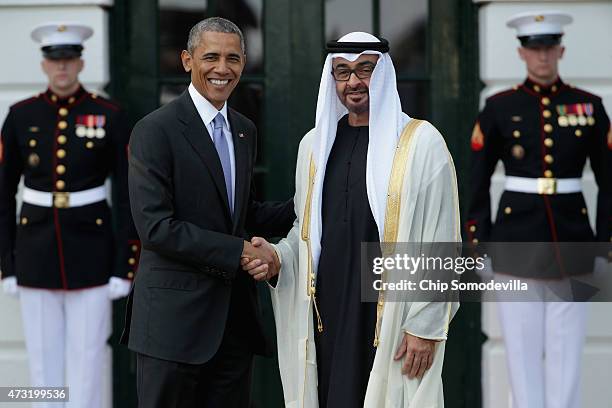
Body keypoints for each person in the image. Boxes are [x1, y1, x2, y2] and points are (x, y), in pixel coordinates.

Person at [243, 32, 461, 407]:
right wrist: (280, 257)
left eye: (365, 70)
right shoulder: (313, 146)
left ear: (385, 74)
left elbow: (440, 236)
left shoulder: (422, 143)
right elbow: (306, 229)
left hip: (389, 312)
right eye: (342, 72)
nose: (353, 82)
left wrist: (424, 325)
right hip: (327, 308)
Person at [122, 17, 294, 408]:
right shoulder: (155, 130)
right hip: (172, 326)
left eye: (233, 58)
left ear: (243, 63)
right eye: (211, 56)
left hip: (233, 327)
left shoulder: (244, 129)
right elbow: (157, 228)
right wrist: (241, 252)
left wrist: (313, 203)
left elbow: (241, 212)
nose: (222, 68)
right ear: (187, 60)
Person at [466, 11, 612, 408]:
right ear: (522, 53)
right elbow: (476, 181)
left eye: (549, 48)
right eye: (535, 49)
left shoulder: (589, 106)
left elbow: (608, 181)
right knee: (521, 351)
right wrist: (478, 241)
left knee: (567, 353)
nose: (542, 57)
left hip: (573, 240)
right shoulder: (498, 107)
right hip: (516, 241)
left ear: (561, 50)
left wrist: (604, 243)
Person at [0, 22, 137, 408]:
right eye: (54, 60)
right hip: (35, 251)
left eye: (69, 59)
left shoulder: (108, 114)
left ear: (80, 63)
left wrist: (124, 264)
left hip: (92, 252)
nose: (62, 68)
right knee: (42, 361)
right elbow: (3, 194)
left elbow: (129, 195)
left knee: (88, 358)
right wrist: (7, 264)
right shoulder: (20, 115)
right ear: (44, 65)